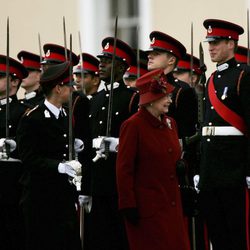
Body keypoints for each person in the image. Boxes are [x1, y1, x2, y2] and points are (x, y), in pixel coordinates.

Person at [116, 68, 190, 250]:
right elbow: (124, 170)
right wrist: (128, 204)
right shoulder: (133, 126)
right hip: (147, 210)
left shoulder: (171, 123)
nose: (169, 100)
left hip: (172, 206)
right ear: (150, 100)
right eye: (165, 97)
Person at [194, 19, 250, 250]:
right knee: (217, 235)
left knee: (237, 235)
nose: (211, 48)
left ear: (231, 43)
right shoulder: (212, 79)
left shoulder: (244, 76)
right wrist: (201, 169)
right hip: (211, 171)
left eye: (216, 42)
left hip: (234, 170)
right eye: (209, 43)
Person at [17, 61, 82, 250]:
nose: (73, 90)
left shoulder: (66, 115)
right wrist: (58, 166)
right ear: (58, 88)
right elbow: (28, 157)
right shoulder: (33, 118)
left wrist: (75, 147)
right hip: (40, 197)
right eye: (70, 86)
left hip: (63, 196)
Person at [87, 37, 139, 250]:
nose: (101, 64)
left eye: (107, 61)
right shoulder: (96, 99)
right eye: (101, 59)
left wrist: (117, 144)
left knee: (120, 238)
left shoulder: (131, 98)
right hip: (97, 179)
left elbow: (137, 138)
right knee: (98, 238)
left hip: (119, 179)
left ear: (121, 67)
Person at [0, 54, 28, 250]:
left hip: (12, 186)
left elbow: (32, 147)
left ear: (14, 81)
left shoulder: (23, 112)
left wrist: (15, 144)